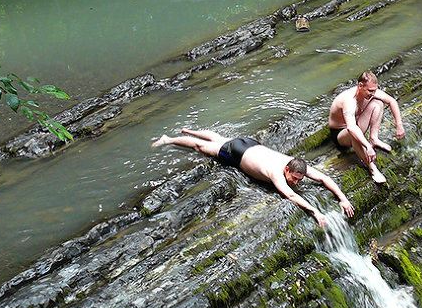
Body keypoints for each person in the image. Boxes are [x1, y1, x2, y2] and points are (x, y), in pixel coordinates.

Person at [152, 130, 353, 228]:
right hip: (237, 152)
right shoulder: (277, 173)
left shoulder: (295, 165)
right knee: (199, 147)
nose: (297, 182)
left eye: (300, 179)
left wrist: (342, 197)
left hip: (249, 143)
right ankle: (168, 139)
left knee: (220, 138)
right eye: (294, 178)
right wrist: (315, 211)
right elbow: (291, 196)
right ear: (286, 169)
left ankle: (189, 130)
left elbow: (324, 178)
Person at [327, 71, 405, 184]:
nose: (373, 93)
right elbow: (351, 127)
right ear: (360, 86)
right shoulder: (349, 100)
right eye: (370, 91)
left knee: (378, 103)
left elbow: (391, 101)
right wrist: (368, 147)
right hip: (340, 134)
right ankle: (372, 168)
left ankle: (374, 138)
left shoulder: (371, 92)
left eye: (374, 90)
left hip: (355, 124)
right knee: (353, 133)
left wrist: (399, 125)